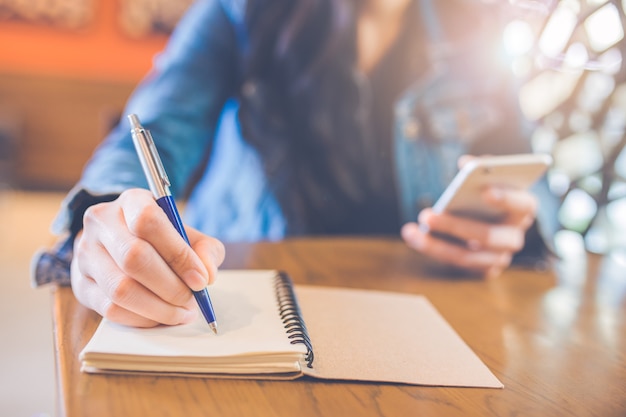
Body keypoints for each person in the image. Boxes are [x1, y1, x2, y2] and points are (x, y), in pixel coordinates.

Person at [33, 0, 558, 328]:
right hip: (250, 290)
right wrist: (106, 218)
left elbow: (528, 182)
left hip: (424, 308)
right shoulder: (238, 10)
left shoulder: (479, 34)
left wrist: (515, 228)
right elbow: (152, 135)